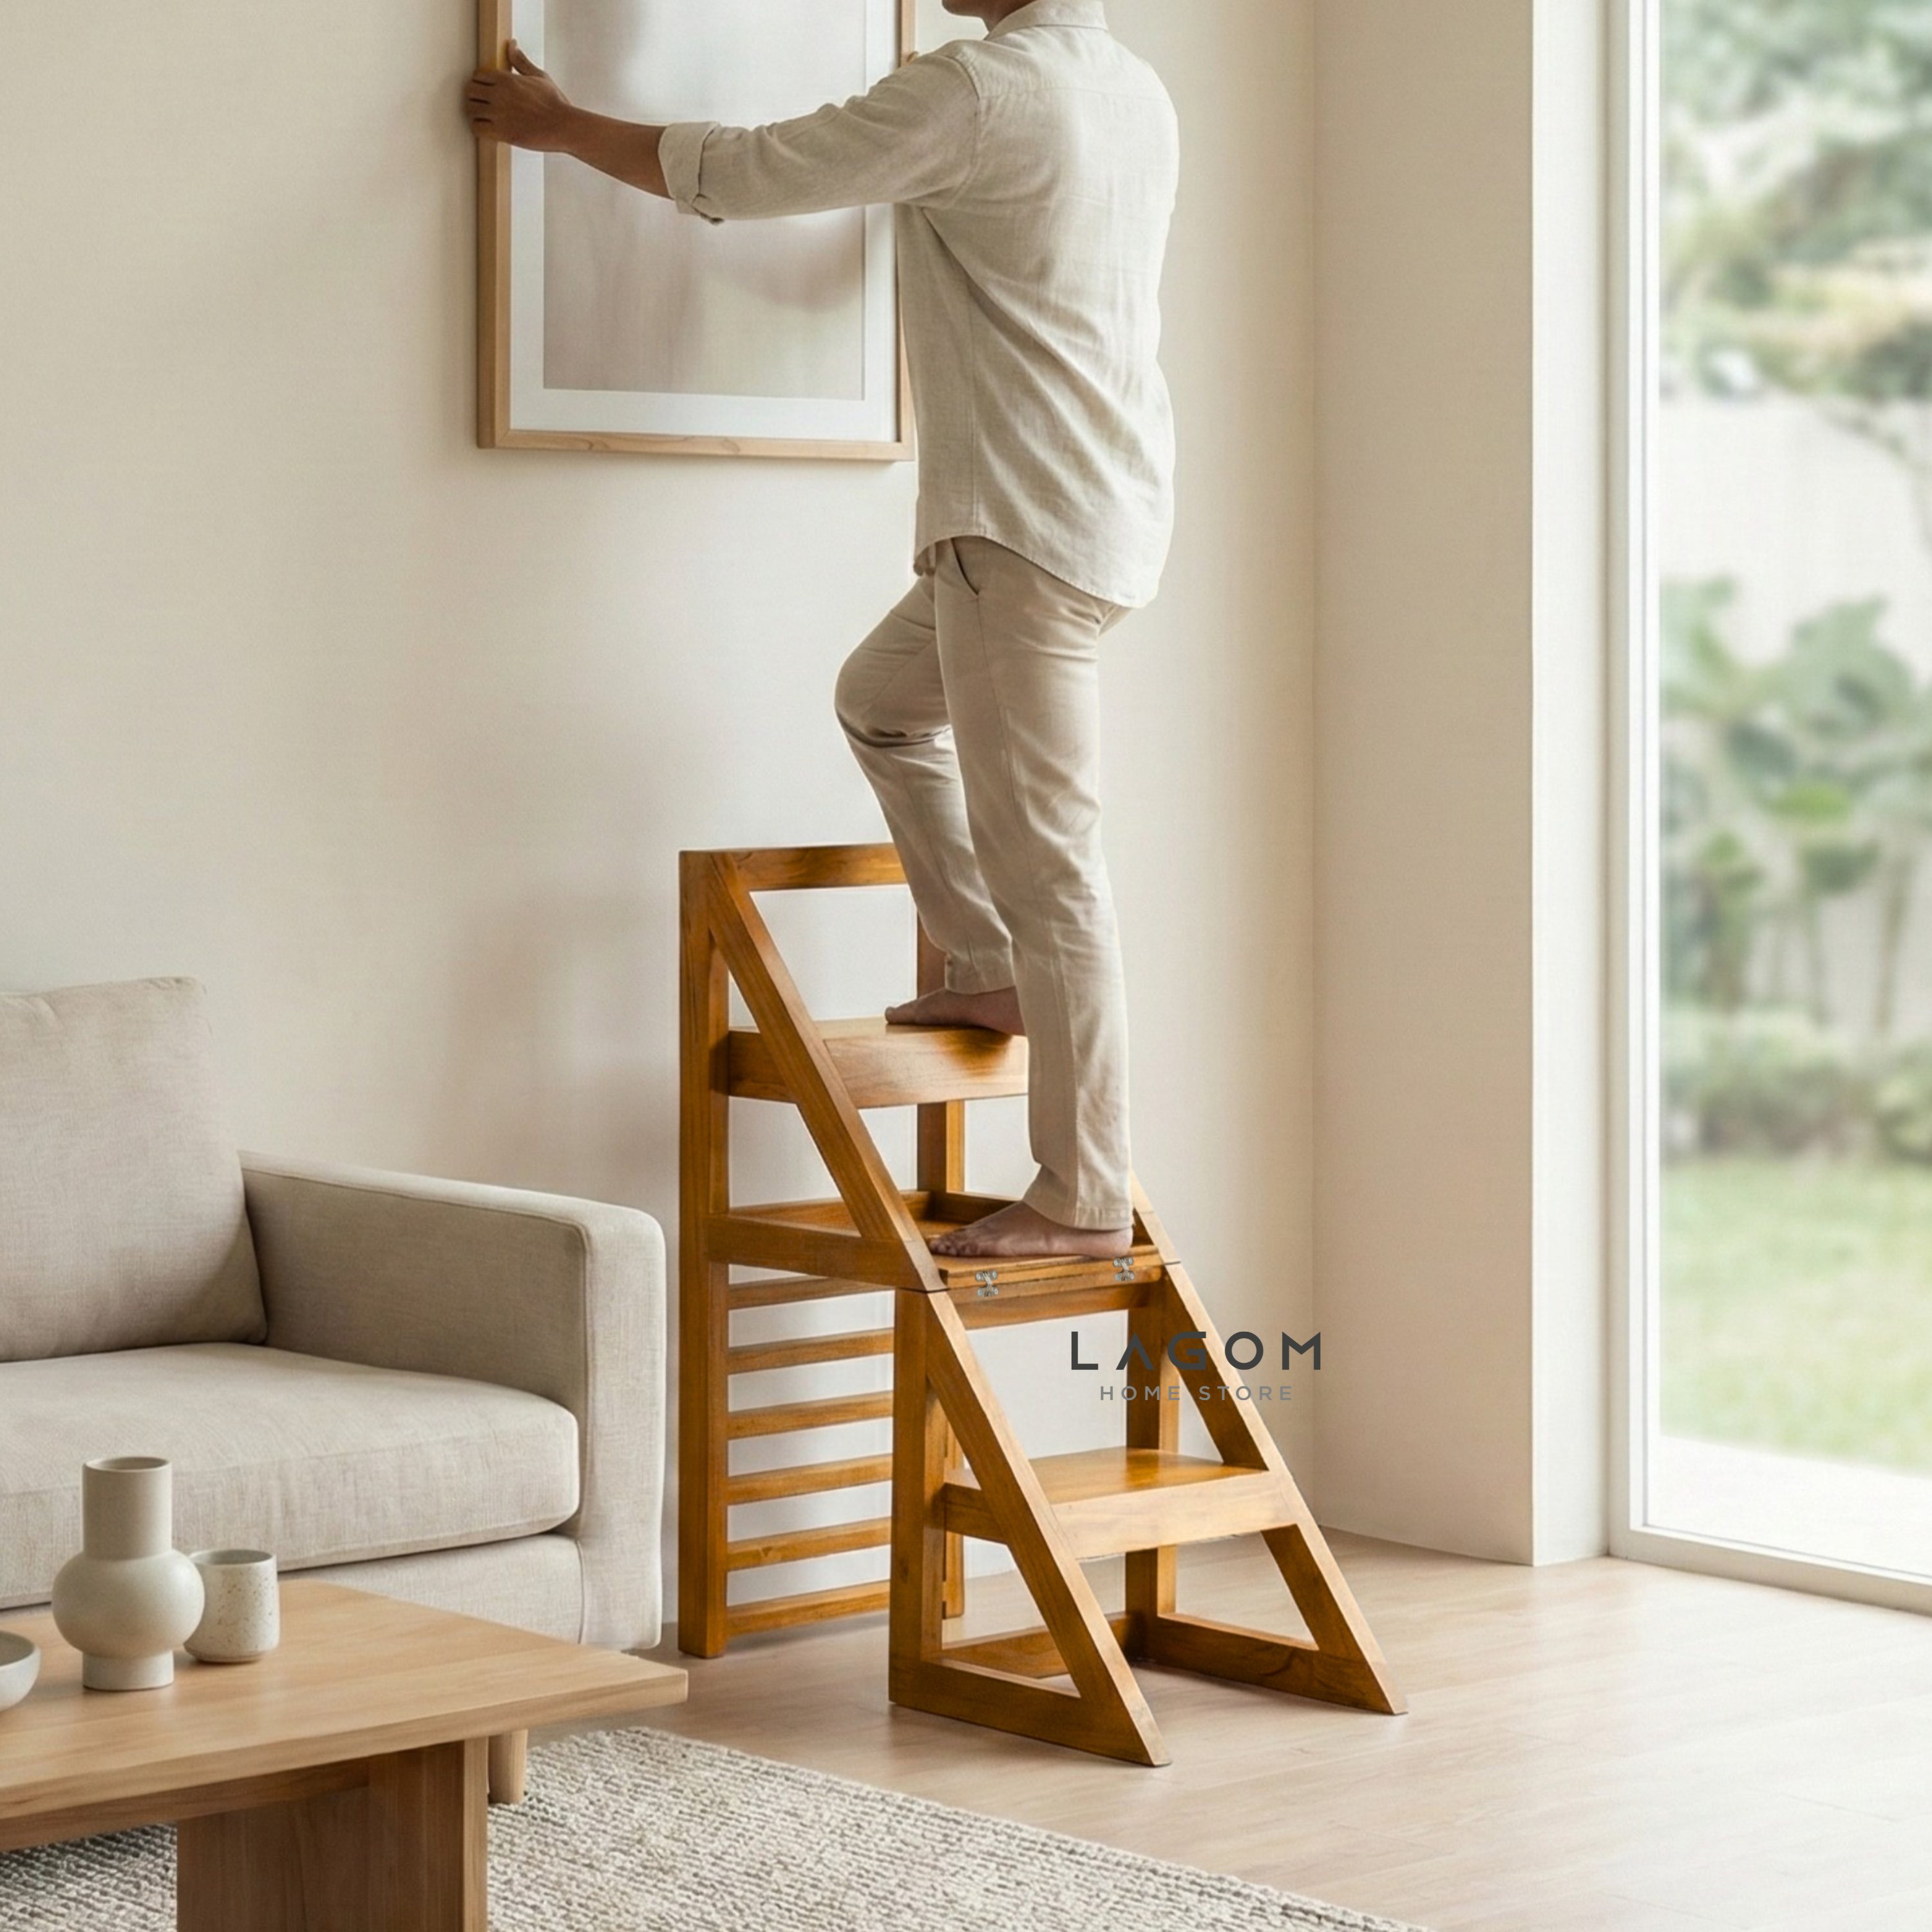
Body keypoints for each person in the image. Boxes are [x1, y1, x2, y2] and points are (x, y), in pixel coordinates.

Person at [466, 0, 1179, 1260]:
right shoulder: (1130, 89)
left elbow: (747, 175)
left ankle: (1082, 1194)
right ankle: (985, 965)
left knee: (1055, 868)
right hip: (1099, 516)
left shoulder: (982, 92)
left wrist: (561, 125)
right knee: (882, 704)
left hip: (1016, 531)